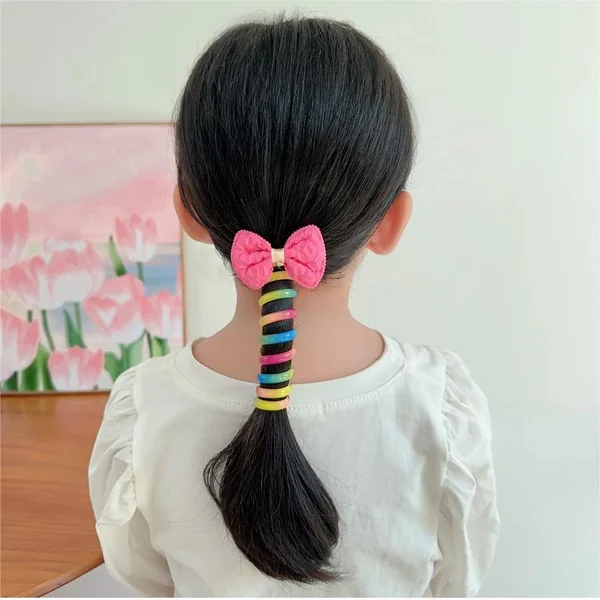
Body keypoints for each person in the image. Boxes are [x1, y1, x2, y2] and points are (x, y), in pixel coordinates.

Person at [89, 15, 499, 597]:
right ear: (390, 223)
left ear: (189, 212)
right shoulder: (440, 408)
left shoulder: (145, 410)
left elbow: (146, 579)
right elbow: (456, 581)